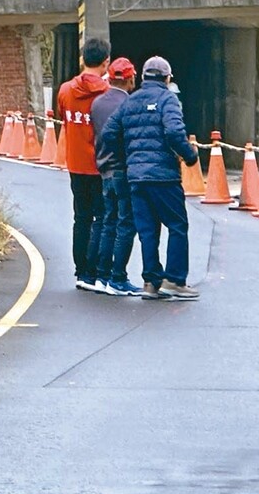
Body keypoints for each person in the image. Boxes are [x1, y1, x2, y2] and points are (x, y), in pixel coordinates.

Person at [98, 55, 201, 301]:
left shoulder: (129, 102)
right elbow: (175, 133)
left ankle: (151, 282)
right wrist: (190, 156)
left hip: (136, 177)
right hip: (163, 176)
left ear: (143, 78)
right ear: (167, 78)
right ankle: (175, 280)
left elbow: (108, 133)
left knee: (147, 230)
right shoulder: (168, 99)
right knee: (177, 226)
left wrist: (130, 154)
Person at [57, 38, 112, 292]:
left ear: (83, 59)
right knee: (102, 217)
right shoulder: (107, 93)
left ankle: (80, 271)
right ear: (105, 62)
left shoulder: (66, 90)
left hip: (75, 164)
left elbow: (63, 120)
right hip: (101, 166)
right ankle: (96, 271)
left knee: (81, 218)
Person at [89, 57, 141, 297]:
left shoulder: (97, 104)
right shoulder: (130, 105)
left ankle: (102, 275)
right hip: (122, 169)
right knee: (125, 223)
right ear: (130, 79)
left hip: (103, 168)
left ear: (109, 78)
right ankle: (118, 277)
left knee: (108, 221)